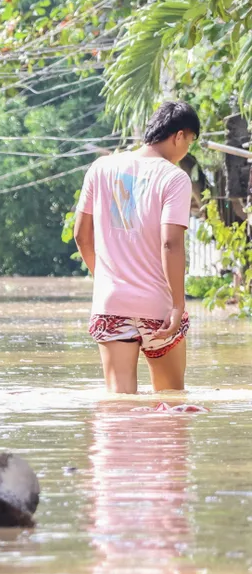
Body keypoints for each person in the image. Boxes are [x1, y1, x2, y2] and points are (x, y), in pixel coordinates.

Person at [73, 100, 198, 394]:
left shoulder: (100, 168)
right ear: (179, 135)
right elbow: (170, 243)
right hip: (157, 306)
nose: (186, 150)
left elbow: (81, 235)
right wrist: (178, 305)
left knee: (119, 403)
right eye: (189, 142)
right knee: (170, 404)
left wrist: (105, 280)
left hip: (111, 302)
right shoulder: (174, 178)